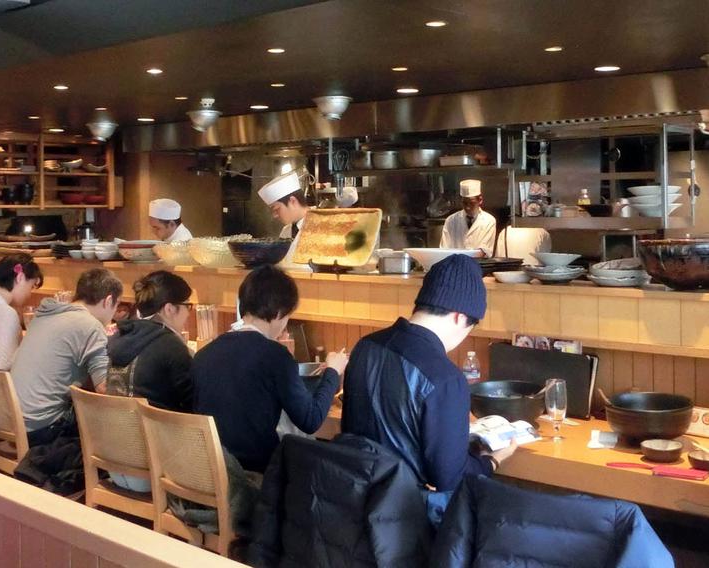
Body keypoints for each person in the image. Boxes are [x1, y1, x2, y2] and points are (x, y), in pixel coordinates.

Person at [341, 254, 516, 525]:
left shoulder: (366, 346)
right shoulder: (444, 378)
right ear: (460, 317)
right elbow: (448, 479)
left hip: (349, 505)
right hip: (400, 521)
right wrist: (491, 462)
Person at [193, 265, 347, 473]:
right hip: (253, 480)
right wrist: (333, 372)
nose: (285, 325)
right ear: (278, 313)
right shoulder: (276, 356)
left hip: (207, 474)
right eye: (287, 317)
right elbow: (310, 420)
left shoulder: (204, 354)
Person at [11, 268, 122, 446]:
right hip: (41, 428)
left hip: (11, 419)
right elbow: (103, 388)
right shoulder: (91, 326)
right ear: (109, 301)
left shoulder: (45, 314)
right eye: (116, 307)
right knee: (112, 423)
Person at [106, 270, 194, 411]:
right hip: (160, 431)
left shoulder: (118, 336)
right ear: (169, 309)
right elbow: (193, 403)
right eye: (187, 305)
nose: (189, 313)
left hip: (120, 429)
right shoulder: (171, 346)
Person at [257, 170, 312, 269]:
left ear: (292, 201)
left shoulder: (319, 225)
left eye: (276, 209)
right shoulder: (286, 231)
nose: (275, 215)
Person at [440, 179, 497, 258]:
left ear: (480, 200)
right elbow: (444, 250)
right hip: (455, 267)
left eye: (472, 203)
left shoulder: (489, 221)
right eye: (464, 203)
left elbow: (484, 251)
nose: (468, 207)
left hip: (478, 266)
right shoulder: (451, 220)